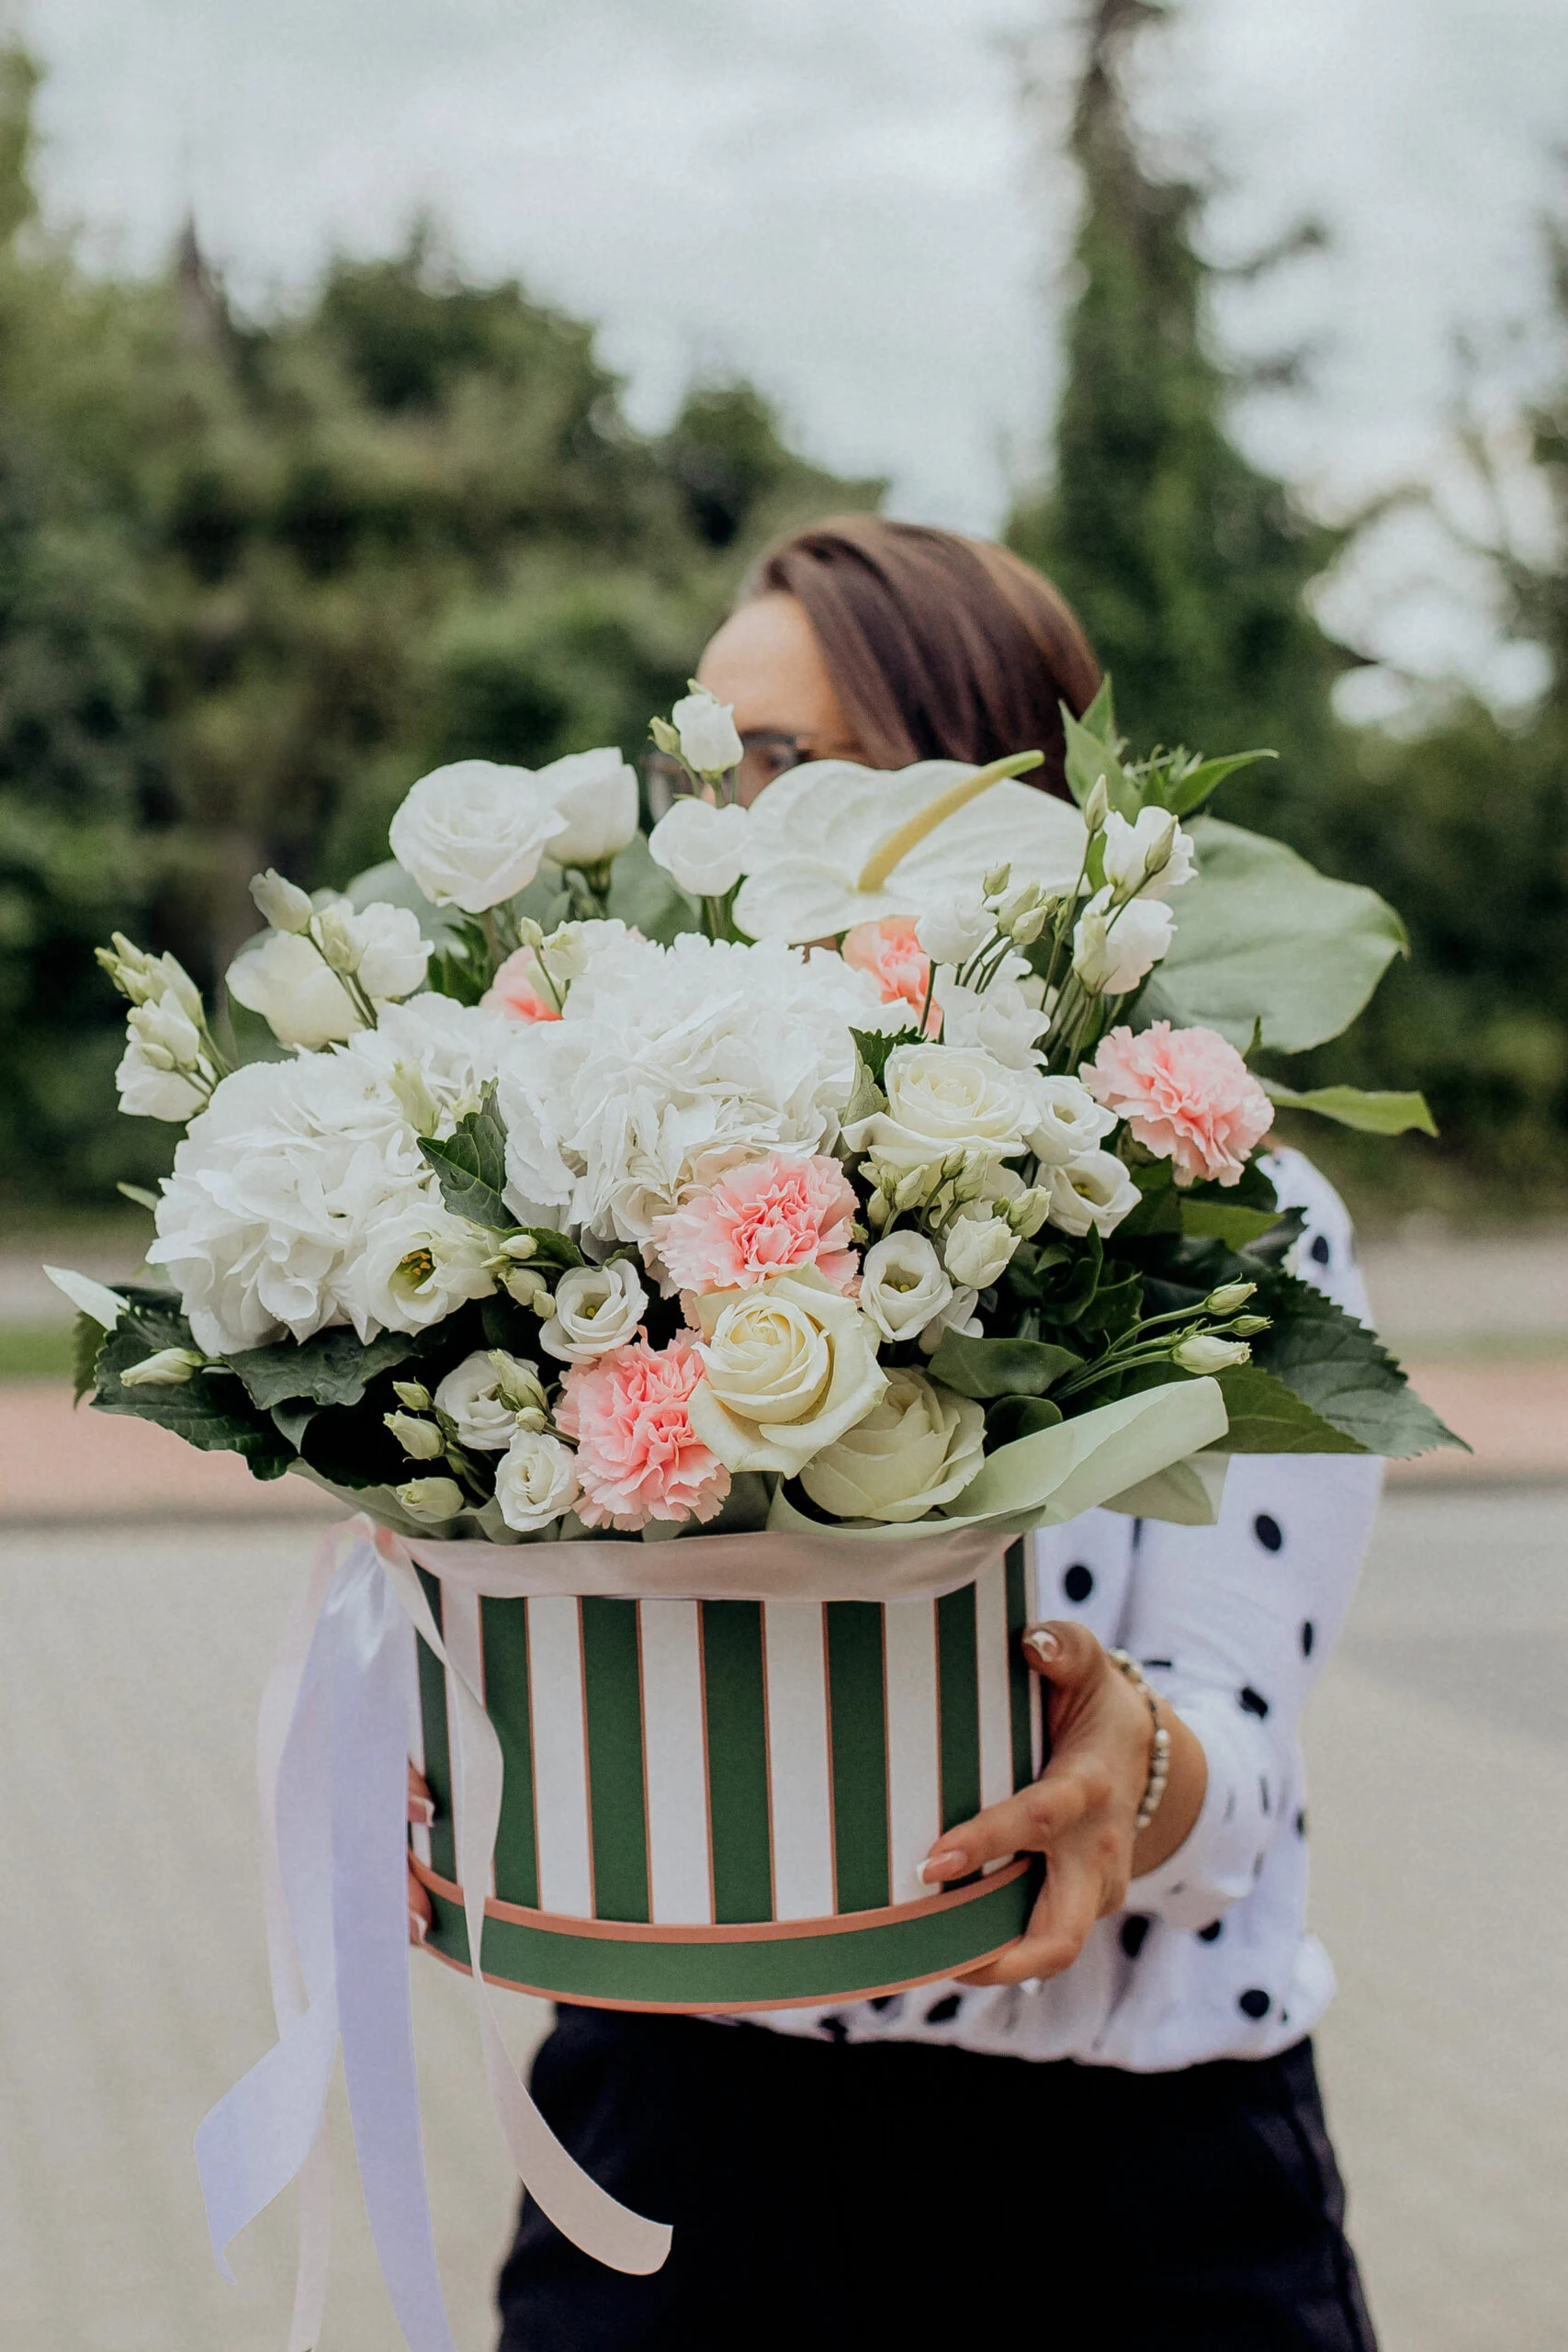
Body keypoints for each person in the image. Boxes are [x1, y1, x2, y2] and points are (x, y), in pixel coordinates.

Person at [411, 515, 1383, 2351]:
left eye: (777, 761)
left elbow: (1236, 1743)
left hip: (1124, 2176)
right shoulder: (616, 1209)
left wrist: (1137, 1770)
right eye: (695, 752)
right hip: (672, 2132)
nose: (713, 807)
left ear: (986, 783)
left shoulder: (1215, 1208)